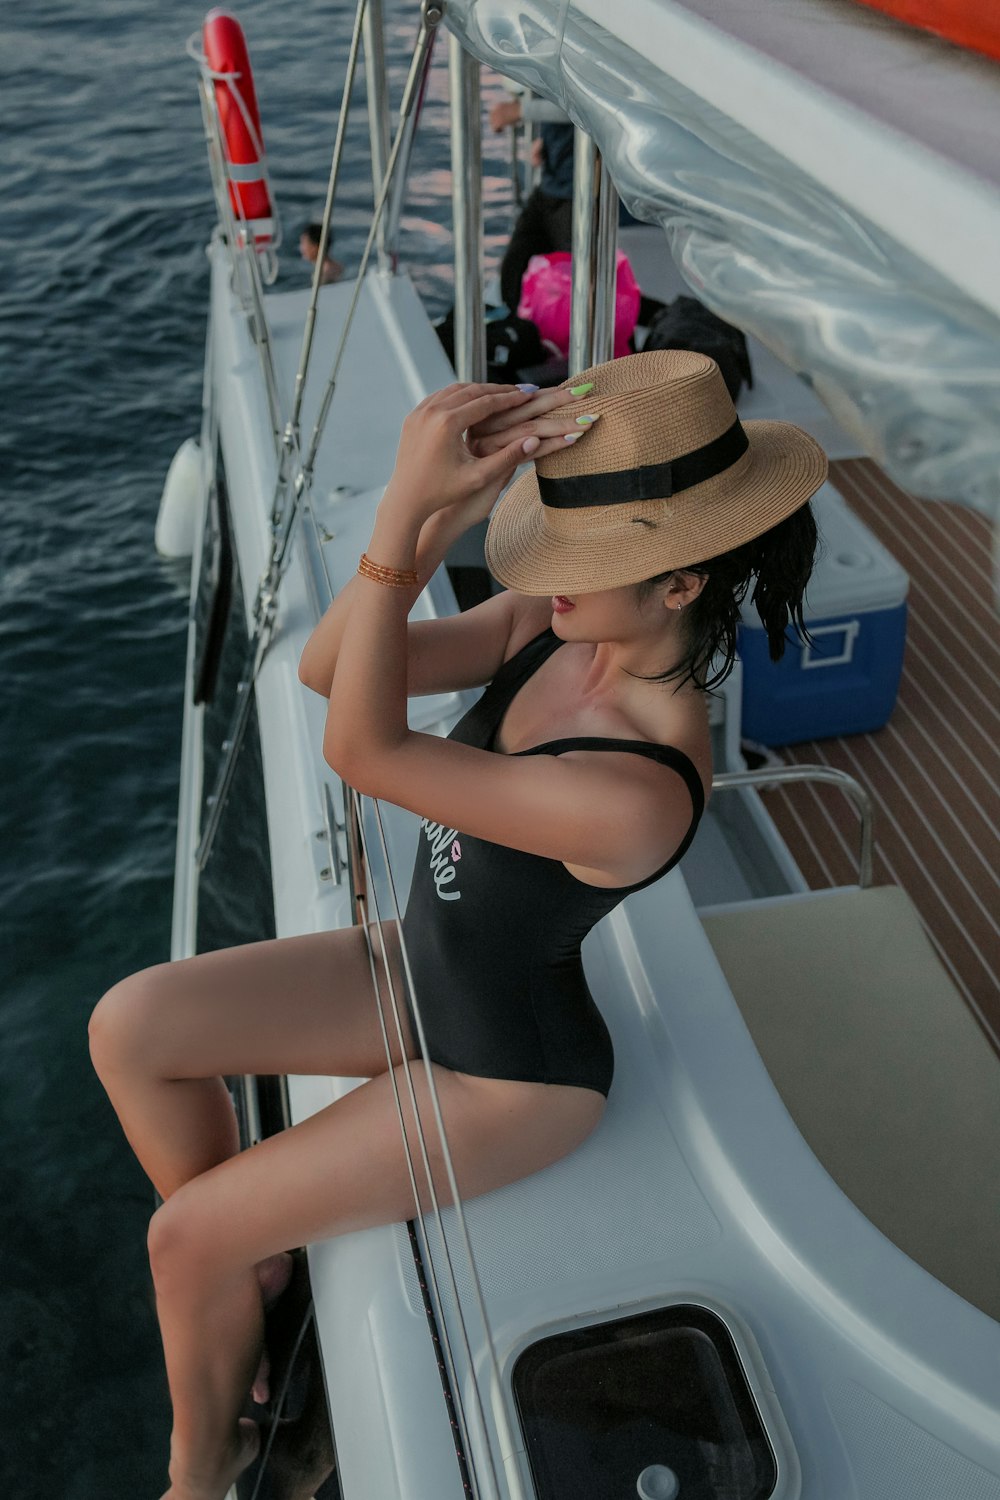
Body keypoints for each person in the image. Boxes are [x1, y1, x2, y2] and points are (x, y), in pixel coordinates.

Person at [88, 349, 826, 1500]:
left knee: (179, 1240)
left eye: (584, 553)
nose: (546, 567)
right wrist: (429, 511)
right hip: (414, 969)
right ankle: (257, 1257)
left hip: (506, 1073)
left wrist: (402, 506)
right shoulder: (556, 624)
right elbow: (335, 673)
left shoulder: (634, 790)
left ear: (679, 582)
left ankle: (203, 1462)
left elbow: (364, 753)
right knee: (130, 1026)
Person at [490, 96, 575, 315]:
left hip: (579, 195)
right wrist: (546, 140)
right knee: (514, 273)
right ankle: (519, 335)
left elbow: (584, 102)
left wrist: (520, 111)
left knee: (572, 285)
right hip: (551, 186)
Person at [299, 220, 343, 284]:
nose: (301, 248)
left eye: (304, 243)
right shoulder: (336, 266)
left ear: (317, 247)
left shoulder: (326, 273)